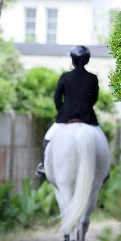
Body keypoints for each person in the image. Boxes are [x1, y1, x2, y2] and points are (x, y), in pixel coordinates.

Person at [36, 45, 100, 179]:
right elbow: (94, 98)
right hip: (88, 118)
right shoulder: (92, 78)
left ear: (72, 60)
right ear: (87, 60)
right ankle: (104, 169)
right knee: (101, 140)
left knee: (47, 139)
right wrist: (86, 108)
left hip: (66, 117)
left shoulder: (65, 77)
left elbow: (57, 98)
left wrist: (63, 111)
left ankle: (43, 166)